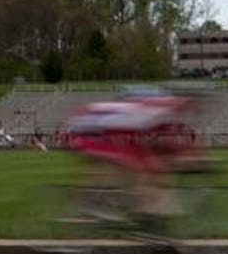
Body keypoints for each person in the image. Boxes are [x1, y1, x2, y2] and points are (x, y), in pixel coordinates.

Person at [63, 87, 203, 225]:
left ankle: (116, 205)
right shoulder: (153, 113)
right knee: (130, 167)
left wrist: (191, 157)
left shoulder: (162, 112)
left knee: (139, 169)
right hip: (90, 131)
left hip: (99, 127)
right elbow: (128, 142)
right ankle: (97, 206)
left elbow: (176, 143)